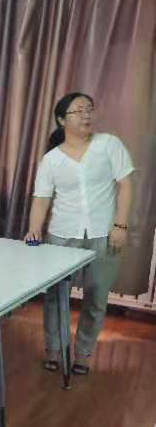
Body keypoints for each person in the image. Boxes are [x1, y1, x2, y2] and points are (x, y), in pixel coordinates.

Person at [24, 92, 134, 376]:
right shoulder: (51, 160)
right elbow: (41, 199)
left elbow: (126, 185)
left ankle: (83, 353)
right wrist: (34, 228)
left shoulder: (108, 144)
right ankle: (54, 348)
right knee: (56, 297)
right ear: (62, 120)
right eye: (78, 110)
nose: (86, 115)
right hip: (62, 236)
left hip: (103, 234)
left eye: (89, 109)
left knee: (96, 299)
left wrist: (120, 225)